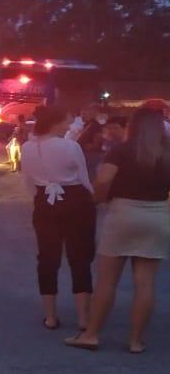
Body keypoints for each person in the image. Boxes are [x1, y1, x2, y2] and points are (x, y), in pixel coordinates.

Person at [66, 108, 170, 353]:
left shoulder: (121, 151)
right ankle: (135, 341)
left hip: (124, 213)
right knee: (145, 283)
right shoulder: (167, 154)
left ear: (133, 126)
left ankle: (91, 335)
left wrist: (98, 199)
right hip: (157, 215)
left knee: (107, 281)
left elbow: (103, 182)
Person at [19, 104, 95, 332]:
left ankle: (50, 317)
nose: (70, 125)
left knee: (47, 259)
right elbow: (83, 179)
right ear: (56, 123)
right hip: (75, 200)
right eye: (67, 121)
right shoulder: (71, 146)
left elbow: (28, 182)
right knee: (79, 257)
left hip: (45, 201)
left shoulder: (27, 148)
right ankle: (83, 318)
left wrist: (41, 198)